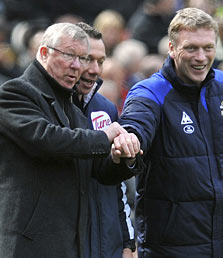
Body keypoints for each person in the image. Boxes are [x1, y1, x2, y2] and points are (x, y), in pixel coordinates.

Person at [119, 7, 223, 258]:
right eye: (191, 48)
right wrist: (130, 139)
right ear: (172, 48)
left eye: (208, 47)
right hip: (171, 246)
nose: (201, 57)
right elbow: (135, 127)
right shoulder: (149, 93)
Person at [0, 22, 144, 258]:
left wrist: (120, 157)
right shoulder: (15, 93)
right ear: (44, 53)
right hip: (29, 244)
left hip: (70, 242)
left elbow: (98, 171)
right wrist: (105, 137)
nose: (78, 66)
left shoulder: (72, 107)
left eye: (82, 58)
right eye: (70, 56)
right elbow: (47, 140)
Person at [73, 22, 136, 258]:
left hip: (108, 243)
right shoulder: (45, 106)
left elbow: (117, 185)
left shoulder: (106, 108)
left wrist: (127, 242)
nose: (95, 69)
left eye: (101, 61)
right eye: (88, 59)